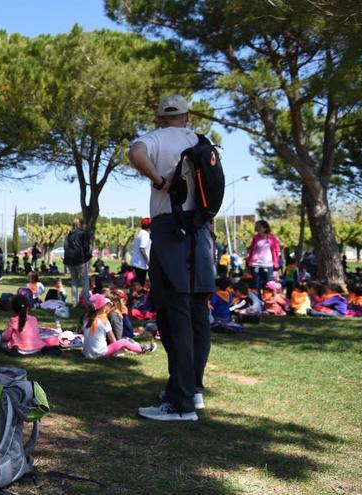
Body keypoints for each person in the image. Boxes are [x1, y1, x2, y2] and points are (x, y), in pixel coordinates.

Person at [128, 94, 214, 421]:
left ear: (160, 117)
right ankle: (193, 389)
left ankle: (181, 404)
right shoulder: (203, 143)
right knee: (197, 314)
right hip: (201, 231)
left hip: (170, 228)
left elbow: (135, 153)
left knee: (173, 314)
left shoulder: (156, 138)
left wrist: (158, 179)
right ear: (187, 116)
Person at [82, 294, 156, 360]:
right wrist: (116, 350)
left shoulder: (86, 319)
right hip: (100, 353)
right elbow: (113, 340)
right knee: (123, 341)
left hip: (87, 354)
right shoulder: (103, 321)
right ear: (103, 307)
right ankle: (142, 349)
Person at [62, 218, 93, 308]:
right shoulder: (83, 234)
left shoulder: (69, 234)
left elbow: (65, 246)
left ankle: (74, 302)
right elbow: (85, 247)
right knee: (84, 280)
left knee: (74, 281)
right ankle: (87, 302)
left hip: (69, 260)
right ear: (81, 224)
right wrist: (88, 256)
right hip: (80, 259)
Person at [247, 220, 282, 293]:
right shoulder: (256, 238)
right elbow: (252, 250)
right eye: (257, 227)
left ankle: (267, 301)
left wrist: (276, 263)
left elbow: (277, 250)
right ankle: (257, 301)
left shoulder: (272, 238)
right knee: (255, 284)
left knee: (268, 284)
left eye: (259, 227)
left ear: (265, 228)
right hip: (256, 264)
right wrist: (249, 261)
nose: (258, 228)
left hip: (268, 264)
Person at [129, 218, 153, 285]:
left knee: (137, 283)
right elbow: (142, 249)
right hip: (141, 264)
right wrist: (148, 262)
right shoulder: (145, 235)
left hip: (136, 263)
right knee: (140, 283)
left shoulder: (140, 234)